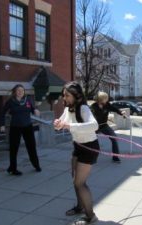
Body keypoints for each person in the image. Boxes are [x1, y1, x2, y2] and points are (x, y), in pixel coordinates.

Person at [54, 82, 99, 224]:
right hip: (78, 146)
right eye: (63, 95)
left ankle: (90, 216)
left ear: (76, 96)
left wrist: (69, 125)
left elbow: (94, 125)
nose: (64, 98)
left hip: (89, 147)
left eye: (67, 95)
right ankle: (80, 207)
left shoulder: (83, 108)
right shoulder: (69, 108)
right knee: (75, 181)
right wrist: (58, 124)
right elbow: (61, 122)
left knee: (80, 183)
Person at [0, 84, 41, 176]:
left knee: (31, 147)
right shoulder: (11, 101)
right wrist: (2, 125)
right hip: (15, 127)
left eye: (22, 90)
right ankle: (13, 168)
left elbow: (32, 109)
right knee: (13, 148)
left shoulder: (28, 100)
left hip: (27, 126)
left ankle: (36, 165)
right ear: (15, 92)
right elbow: (2, 112)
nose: (20, 92)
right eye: (18, 90)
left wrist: (35, 110)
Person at [90, 92, 126, 163]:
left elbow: (114, 109)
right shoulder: (93, 107)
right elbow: (91, 117)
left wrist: (121, 112)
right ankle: (92, 157)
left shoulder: (107, 105)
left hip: (104, 125)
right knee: (93, 142)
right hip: (95, 126)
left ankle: (115, 157)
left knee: (114, 138)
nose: (107, 99)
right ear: (101, 99)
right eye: (106, 98)